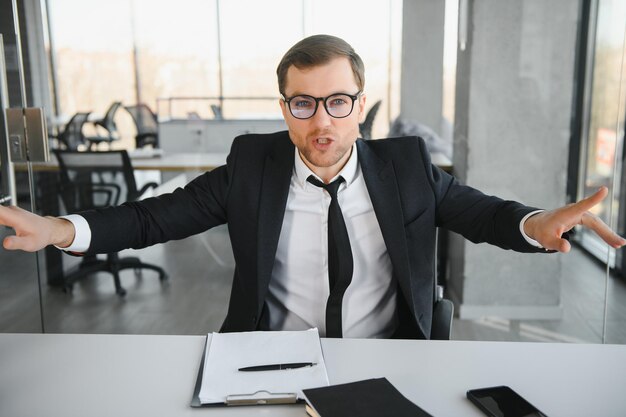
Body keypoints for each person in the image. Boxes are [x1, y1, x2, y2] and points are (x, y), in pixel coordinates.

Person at [0, 35, 624, 339]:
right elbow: (154, 220)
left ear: (358, 105)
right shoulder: (252, 165)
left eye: (337, 101)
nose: (321, 120)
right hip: (268, 358)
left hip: (389, 355)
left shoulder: (406, 166)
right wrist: (58, 229)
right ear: (284, 107)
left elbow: (481, 213)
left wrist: (532, 224)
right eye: (304, 103)